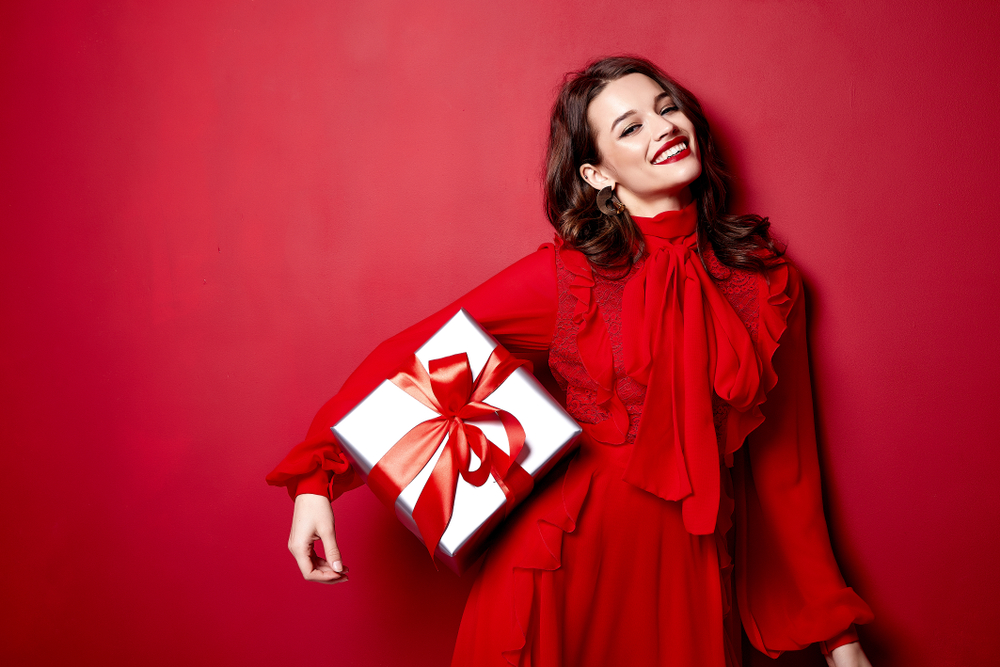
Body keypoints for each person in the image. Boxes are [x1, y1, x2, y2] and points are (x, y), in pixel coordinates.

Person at [266, 56, 875, 667]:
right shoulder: (568, 276)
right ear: (598, 173)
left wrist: (837, 634)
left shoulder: (765, 282)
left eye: (667, 109)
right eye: (629, 127)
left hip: (687, 573)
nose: (662, 127)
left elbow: (784, 471)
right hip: (560, 563)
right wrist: (315, 481)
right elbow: (410, 354)